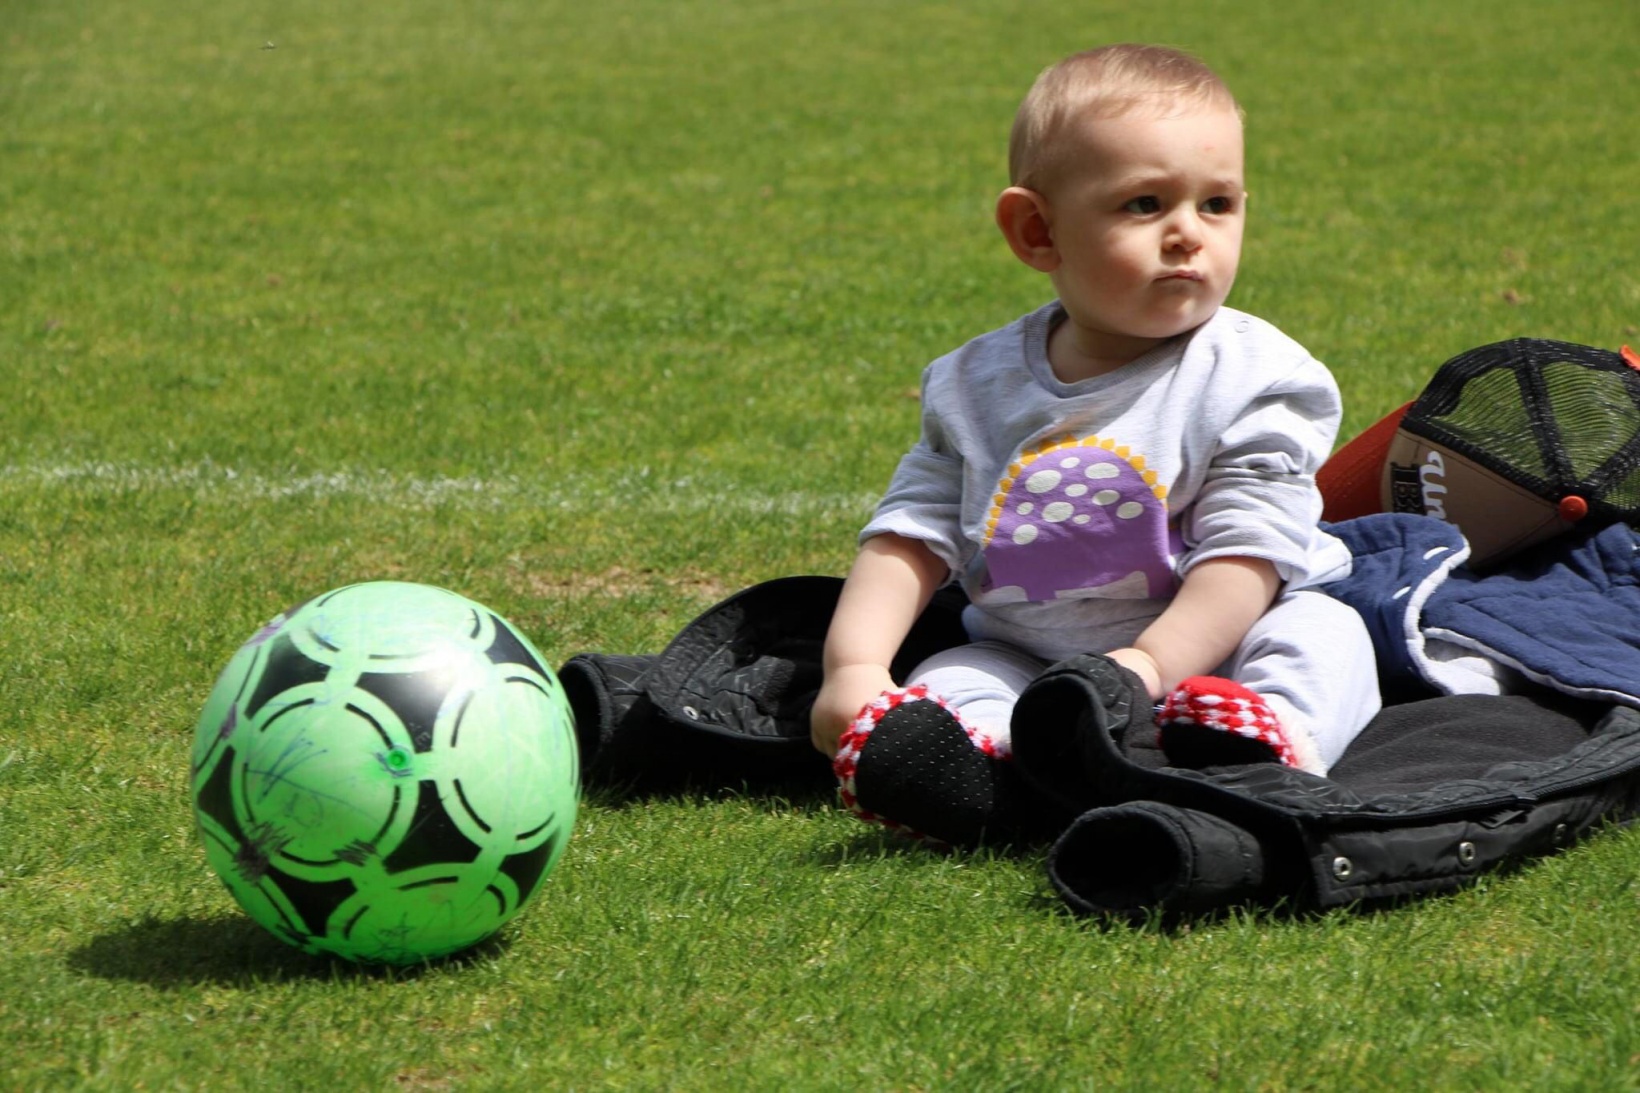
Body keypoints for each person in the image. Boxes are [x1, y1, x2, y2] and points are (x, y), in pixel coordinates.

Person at [809, 44, 1381, 841]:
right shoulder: (974, 384)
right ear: (1038, 230)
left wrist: (1145, 669)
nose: (1188, 234)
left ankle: (1258, 750)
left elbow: (1246, 558)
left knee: (1325, 634)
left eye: (1217, 204)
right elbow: (909, 531)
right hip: (1032, 658)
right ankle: (990, 774)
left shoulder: (1259, 376)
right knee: (951, 677)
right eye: (1145, 204)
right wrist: (856, 667)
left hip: (1222, 651)